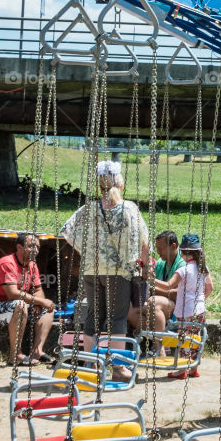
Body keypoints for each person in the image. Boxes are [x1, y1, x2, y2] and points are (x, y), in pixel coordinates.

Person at [60, 160, 148, 381]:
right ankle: (118, 368)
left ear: (99, 186)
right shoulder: (129, 208)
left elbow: (66, 233)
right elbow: (144, 242)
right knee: (117, 318)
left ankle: (91, 365)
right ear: (120, 183)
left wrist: (88, 251)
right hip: (119, 273)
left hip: (91, 270)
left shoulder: (88, 209)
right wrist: (142, 267)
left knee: (93, 316)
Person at [0, 232, 55, 366]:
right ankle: (15, 355)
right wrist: (39, 301)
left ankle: (37, 351)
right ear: (19, 247)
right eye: (31, 246)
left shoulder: (32, 265)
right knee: (20, 304)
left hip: (12, 309)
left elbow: (38, 290)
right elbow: (12, 294)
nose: (36, 250)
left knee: (49, 308)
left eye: (38, 247)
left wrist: (39, 304)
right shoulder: (7, 263)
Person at [164, 234, 213, 378]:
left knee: (184, 339)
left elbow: (168, 285)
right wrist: (200, 300)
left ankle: (181, 371)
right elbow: (209, 288)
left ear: (182, 252)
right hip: (200, 309)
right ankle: (193, 368)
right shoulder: (203, 267)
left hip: (186, 311)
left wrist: (151, 280)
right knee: (196, 338)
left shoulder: (184, 270)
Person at [128, 230, 184, 351]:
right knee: (131, 310)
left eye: (162, 248)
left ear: (173, 246)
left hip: (179, 306)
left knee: (154, 302)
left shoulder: (181, 264)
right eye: (157, 248)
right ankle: (161, 339)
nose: (158, 252)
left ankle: (161, 347)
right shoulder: (160, 264)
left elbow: (179, 294)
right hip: (162, 303)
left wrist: (154, 289)